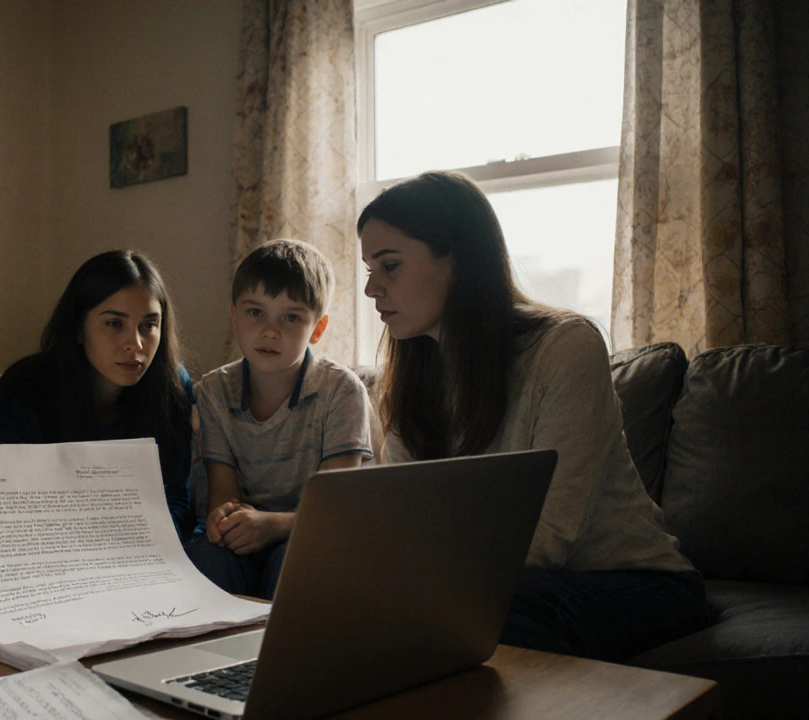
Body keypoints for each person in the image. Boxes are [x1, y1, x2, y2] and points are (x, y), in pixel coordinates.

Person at [357, 170, 711, 662]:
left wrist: (420, 583)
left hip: (636, 582)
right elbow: (402, 520)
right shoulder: (411, 377)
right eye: (368, 270)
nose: (372, 289)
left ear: (459, 259)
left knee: (485, 611)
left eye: (389, 266)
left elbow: (550, 536)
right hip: (497, 583)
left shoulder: (565, 347)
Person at [186, 239, 373, 600]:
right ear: (234, 315)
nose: (271, 331)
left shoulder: (341, 392)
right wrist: (224, 517)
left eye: (291, 317)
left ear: (317, 329)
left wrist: (272, 526)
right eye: (256, 312)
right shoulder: (214, 391)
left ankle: (283, 656)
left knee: (297, 559)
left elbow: (338, 507)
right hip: (249, 534)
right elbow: (222, 489)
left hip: (314, 531)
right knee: (203, 558)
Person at [0, 249, 195, 542]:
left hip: (133, 553)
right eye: (115, 324)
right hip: (38, 547)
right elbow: (9, 506)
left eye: (149, 325)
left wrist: (141, 544)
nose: (135, 343)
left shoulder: (173, 386)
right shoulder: (26, 387)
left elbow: (175, 498)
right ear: (78, 328)